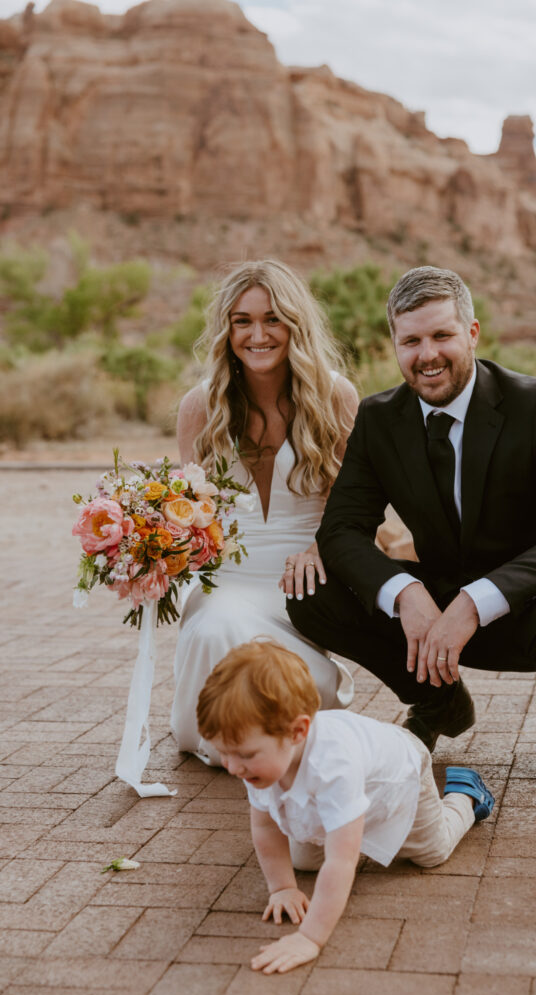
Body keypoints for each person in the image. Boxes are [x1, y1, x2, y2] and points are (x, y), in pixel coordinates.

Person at [288, 265, 536, 785]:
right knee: (313, 593)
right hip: (433, 607)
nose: (427, 355)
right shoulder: (378, 419)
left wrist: (474, 601)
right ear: (394, 345)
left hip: (534, 607)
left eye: (442, 335)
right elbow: (342, 530)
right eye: (411, 340)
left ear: (472, 333)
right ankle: (437, 701)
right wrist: (405, 594)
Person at [196, 638, 494, 974]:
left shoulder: (334, 766)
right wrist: (281, 888)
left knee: (431, 852)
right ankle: (344, 825)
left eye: (245, 755)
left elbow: (342, 862)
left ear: (297, 732)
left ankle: (466, 796)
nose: (233, 768)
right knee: (303, 861)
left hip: (401, 777)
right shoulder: (259, 764)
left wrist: (310, 937)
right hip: (350, 786)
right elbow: (264, 826)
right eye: (225, 752)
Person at [172, 258, 359, 765]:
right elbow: (187, 513)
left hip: (300, 585)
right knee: (215, 625)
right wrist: (151, 550)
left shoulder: (335, 398)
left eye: (272, 318)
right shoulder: (199, 407)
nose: (258, 334)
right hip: (224, 577)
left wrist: (321, 549)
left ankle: (254, 726)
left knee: (277, 662)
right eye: (243, 320)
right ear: (226, 329)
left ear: (295, 323)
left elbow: (355, 506)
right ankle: (249, 733)